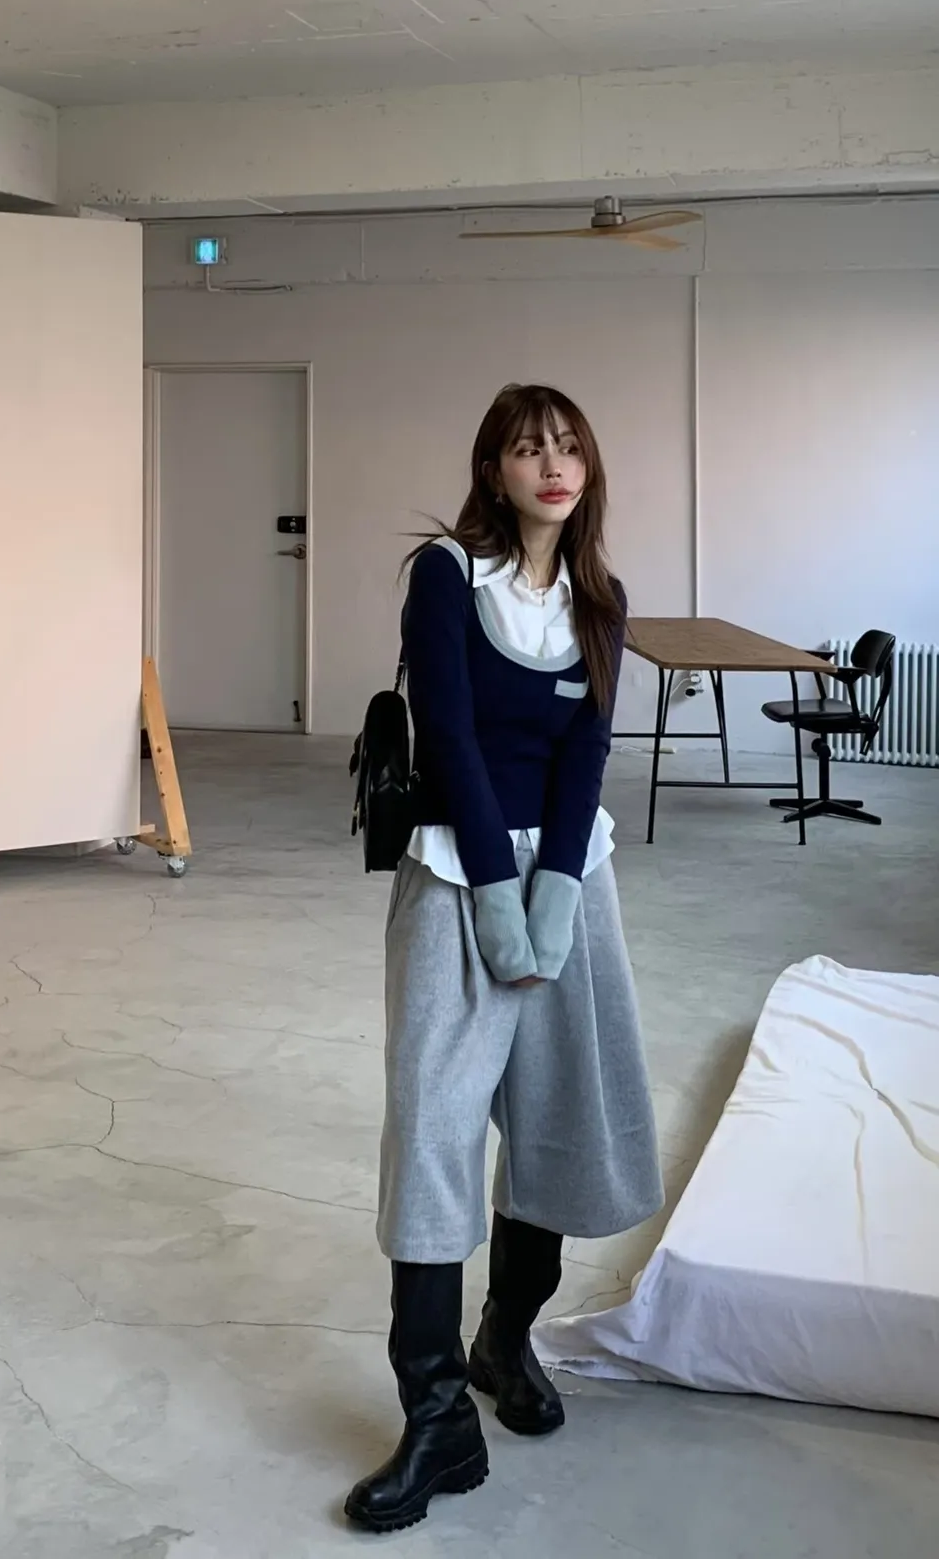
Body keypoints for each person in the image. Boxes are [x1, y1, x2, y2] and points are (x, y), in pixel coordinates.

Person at [345, 384, 664, 1535]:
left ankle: (505, 1338)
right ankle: (435, 1416)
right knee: (434, 1129)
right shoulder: (447, 576)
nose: (553, 466)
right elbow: (450, 737)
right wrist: (495, 892)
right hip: (454, 875)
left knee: (555, 1114)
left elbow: (586, 756)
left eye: (569, 447)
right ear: (495, 470)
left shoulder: (601, 602)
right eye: (530, 449)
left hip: (572, 880)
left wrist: (558, 894)